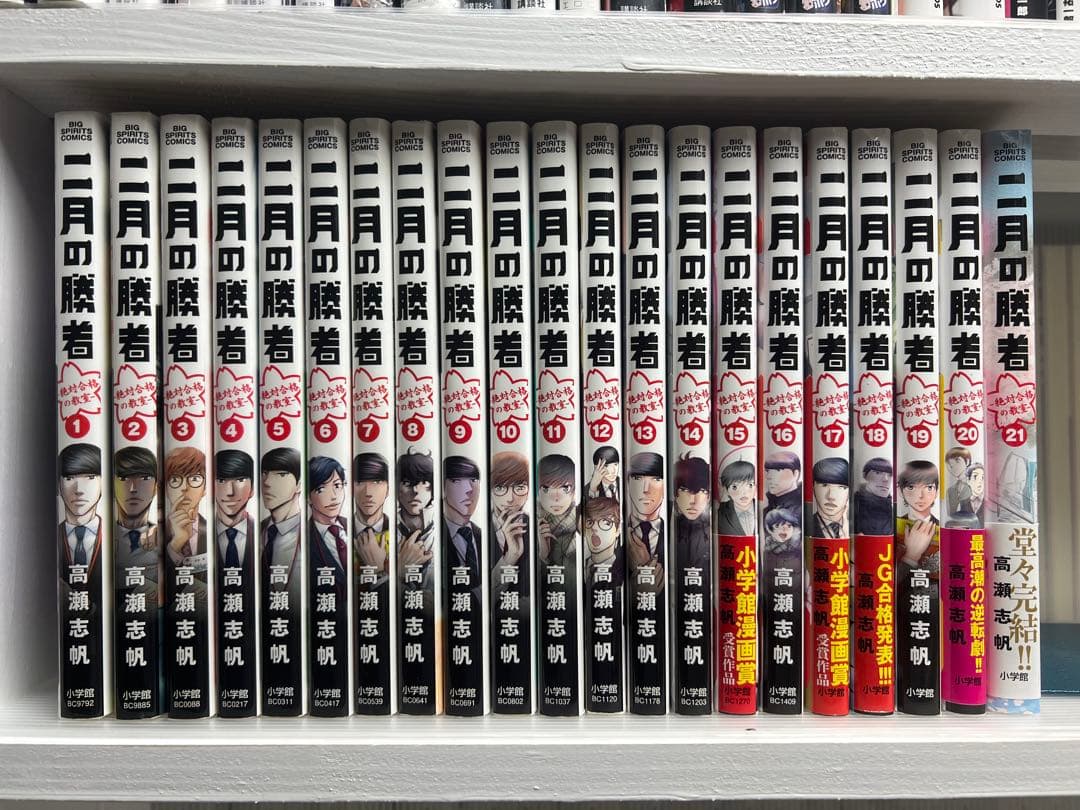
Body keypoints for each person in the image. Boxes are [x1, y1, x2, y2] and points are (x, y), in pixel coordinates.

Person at [113, 446, 159, 581]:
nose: (133, 488)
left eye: (144, 478)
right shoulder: (102, 538)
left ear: (156, 487)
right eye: (124, 478)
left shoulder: (163, 538)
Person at [442, 455, 483, 606]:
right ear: (442, 487)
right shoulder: (431, 537)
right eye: (456, 481)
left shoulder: (484, 537)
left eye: (473, 480)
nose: (469, 489)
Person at [58, 443, 104, 577]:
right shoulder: (51, 537)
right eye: (69, 478)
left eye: (90, 477)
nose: (79, 490)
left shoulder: (114, 535)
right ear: (58, 484)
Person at [260, 447, 302, 591]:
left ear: (300, 484)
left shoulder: (311, 531)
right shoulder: (256, 530)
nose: (267, 482)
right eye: (264, 473)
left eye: (281, 474)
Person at [308, 456, 348, 601]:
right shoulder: (303, 539)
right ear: (308, 497)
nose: (333, 496)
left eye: (337, 486)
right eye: (321, 489)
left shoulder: (354, 527)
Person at [164, 447, 208, 569]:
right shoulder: (153, 533)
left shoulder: (213, 531)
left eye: (194, 479)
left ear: (205, 488)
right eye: (175, 479)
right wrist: (176, 543)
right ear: (166, 489)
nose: (184, 487)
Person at [627, 452, 665, 590]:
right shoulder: (612, 531)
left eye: (656, 479)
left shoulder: (677, 532)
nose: (645, 489)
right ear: (627, 483)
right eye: (637, 478)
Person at [397, 450, 435, 587]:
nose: (415, 490)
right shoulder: (384, 528)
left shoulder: (443, 530)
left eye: (424, 482)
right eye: (407, 482)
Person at [215, 450, 255, 573]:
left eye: (240, 480)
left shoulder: (263, 532)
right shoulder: (202, 532)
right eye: (221, 480)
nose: (230, 492)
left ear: (253, 488)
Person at [353, 452, 390, 581]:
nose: (368, 492)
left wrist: (379, 569)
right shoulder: (339, 532)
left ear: (388, 488)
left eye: (376, 481)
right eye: (360, 482)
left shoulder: (399, 532)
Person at [536, 454, 578, 568]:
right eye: (546, 489)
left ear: (574, 491)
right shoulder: (528, 520)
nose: (556, 498)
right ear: (538, 491)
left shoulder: (581, 522)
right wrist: (543, 554)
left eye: (565, 488)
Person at [674, 455, 710, 573]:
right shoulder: (668, 529)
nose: (693, 501)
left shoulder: (712, 530)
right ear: (675, 494)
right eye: (685, 490)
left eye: (702, 491)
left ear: (709, 496)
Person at [583, 495, 623, 588]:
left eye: (605, 522)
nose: (594, 528)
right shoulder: (575, 566)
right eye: (590, 522)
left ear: (617, 530)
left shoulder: (621, 570)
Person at [853, 457, 893, 537]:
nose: (886, 479)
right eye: (878, 473)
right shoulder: (853, 505)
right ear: (865, 475)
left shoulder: (892, 508)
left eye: (890, 475)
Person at [811, 457, 850, 539]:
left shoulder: (856, 527)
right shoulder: (806, 526)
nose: (831, 496)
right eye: (824, 485)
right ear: (813, 487)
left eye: (841, 487)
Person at [715, 458, 756, 538]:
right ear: (726, 489)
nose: (744, 493)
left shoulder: (762, 509)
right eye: (735, 487)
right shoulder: (720, 512)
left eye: (750, 485)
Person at [763, 451, 801, 523]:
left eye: (777, 470)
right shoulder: (767, 510)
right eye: (767, 471)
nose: (768, 476)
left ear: (795, 474)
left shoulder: (800, 510)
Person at [945, 447, 972, 518]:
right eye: (949, 463)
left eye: (957, 461)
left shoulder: (975, 486)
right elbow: (949, 515)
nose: (952, 465)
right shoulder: (950, 490)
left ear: (967, 462)